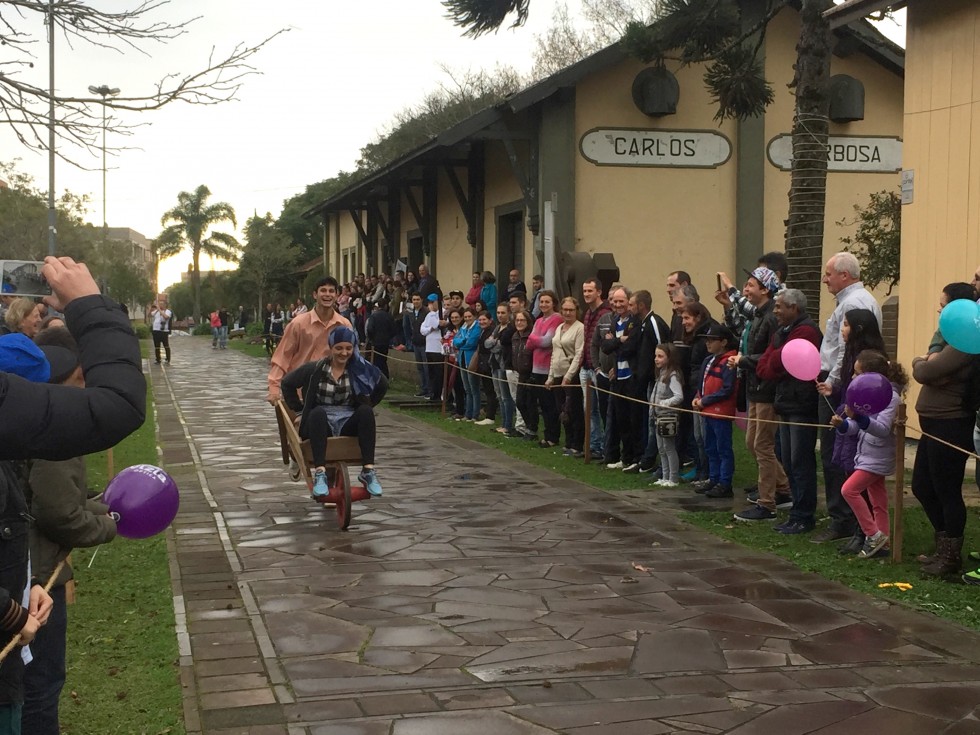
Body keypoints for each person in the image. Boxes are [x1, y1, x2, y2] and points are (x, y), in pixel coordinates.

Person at [0, 256, 145, 731]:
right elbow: (118, 405)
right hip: (27, 598)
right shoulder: (45, 439)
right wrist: (90, 305)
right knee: (39, 693)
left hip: (28, 585)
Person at [23, 328, 118, 735]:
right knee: (39, 686)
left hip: (26, 571)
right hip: (37, 580)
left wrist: (109, 507)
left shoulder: (28, 408)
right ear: (77, 371)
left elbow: (61, 497)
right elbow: (58, 513)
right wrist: (109, 526)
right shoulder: (55, 423)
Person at [812, 252, 882, 543]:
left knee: (838, 454)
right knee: (838, 453)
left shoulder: (854, 303)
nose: (825, 279)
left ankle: (845, 519)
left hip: (841, 384)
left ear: (845, 275)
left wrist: (832, 382)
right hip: (841, 379)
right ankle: (850, 519)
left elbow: (846, 351)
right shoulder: (852, 299)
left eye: (829, 274)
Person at [910, 283, 977, 579]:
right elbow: (932, 373)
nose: (939, 309)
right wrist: (930, 366)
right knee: (922, 486)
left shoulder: (965, 343)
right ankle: (942, 544)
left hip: (951, 423)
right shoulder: (949, 339)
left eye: (944, 304)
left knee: (947, 490)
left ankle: (951, 557)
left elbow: (926, 372)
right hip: (933, 424)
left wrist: (920, 362)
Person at [281, 326, 387, 498]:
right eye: (339, 348)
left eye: (348, 348)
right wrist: (300, 410)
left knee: (366, 412)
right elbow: (287, 383)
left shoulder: (358, 368)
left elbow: (382, 385)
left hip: (347, 419)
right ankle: (320, 473)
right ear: (331, 348)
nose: (344, 353)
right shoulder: (315, 369)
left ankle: (368, 470)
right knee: (317, 413)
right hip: (320, 423)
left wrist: (368, 403)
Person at [820, 308, 888, 555]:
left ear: (859, 328)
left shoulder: (871, 359)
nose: (842, 330)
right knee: (850, 470)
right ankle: (867, 532)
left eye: (847, 325)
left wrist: (855, 414)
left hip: (865, 427)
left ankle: (866, 533)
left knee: (859, 484)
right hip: (852, 419)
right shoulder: (851, 354)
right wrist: (834, 390)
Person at [755, 289, 822, 534]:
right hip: (785, 401)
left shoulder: (806, 331)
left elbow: (779, 362)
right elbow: (765, 365)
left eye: (779, 306)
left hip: (801, 404)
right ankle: (796, 511)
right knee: (788, 460)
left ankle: (804, 515)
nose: (775, 311)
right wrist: (776, 357)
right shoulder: (782, 332)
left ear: (794, 308)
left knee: (800, 461)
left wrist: (776, 358)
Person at [831, 350, 906, 560]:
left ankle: (872, 534)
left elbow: (882, 429)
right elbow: (857, 427)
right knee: (877, 500)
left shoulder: (890, 397)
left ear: (871, 376)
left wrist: (859, 418)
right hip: (866, 454)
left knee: (849, 490)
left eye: (857, 373)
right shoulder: (866, 394)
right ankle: (883, 544)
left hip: (878, 457)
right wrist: (843, 424)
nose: (853, 377)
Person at [730, 267, 791, 522]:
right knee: (752, 443)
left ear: (765, 289)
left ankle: (767, 503)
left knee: (763, 445)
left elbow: (770, 355)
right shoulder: (757, 315)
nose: (745, 289)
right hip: (755, 386)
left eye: (751, 285)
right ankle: (784, 488)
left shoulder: (771, 318)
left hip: (766, 389)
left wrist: (743, 360)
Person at [266, 277, 352, 406]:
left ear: (336, 295)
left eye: (331, 291)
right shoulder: (298, 324)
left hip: (331, 394)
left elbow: (352, 358)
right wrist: (274, 388)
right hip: (299, 393)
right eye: (323, 290)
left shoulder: (344, 325)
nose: (327, 294)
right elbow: (283, 356)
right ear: (315, 295)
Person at [692, 324, 739, 498]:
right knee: (710, 447)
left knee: (723, 448)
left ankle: (725, 483)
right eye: (707, 339)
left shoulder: (729, 361)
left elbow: (727, 389)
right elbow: (702, 383)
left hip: (720, 411)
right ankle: (714, 478)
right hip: (707, 410)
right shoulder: (709, 360)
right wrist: (698, 396)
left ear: (724, 342)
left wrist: (705, 400)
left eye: (712, 340)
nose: (708, 343)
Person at [601, 286, 641, 470]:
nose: (617, 305)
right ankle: (625, 458)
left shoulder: (634, 322)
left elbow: (630, 348)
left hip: (630, 376)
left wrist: (614, 343)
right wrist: (618, 341)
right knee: (621, 419)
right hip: (617, 376)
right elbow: (605, 347)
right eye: (614, 301)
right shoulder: (615, 321)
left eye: (621, 301)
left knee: (633, 420)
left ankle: (635, 458)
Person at [579, 278, 612, 460]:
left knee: (602, 409)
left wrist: (598, 367)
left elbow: (602, 344)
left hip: (598, 368)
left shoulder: (605, 313)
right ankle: (593, 446)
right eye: (584, 291)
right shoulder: (587, 313)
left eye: (590, 291)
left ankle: (605, 447)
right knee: (589, 410)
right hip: (586, 366)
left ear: (599, 292)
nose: (586, 294)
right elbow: (587, 342)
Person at [548, 297, 585, 457]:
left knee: (574, 410)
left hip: (572, 375)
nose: (568, 313)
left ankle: (577, 444)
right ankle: (568, 441)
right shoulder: (559, 327)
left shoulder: (580, 328)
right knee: (562, 410)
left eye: (571, 310)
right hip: (557, 373)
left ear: (577, 311)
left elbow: (579, 354)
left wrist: (569, 375)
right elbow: (554, 353)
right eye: (565, 310)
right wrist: (550, 376)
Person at [525, 290, 563, 448]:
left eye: (547, 301)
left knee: (550, 405)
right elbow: (529, 344)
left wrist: (534, 338)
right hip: (536, 368)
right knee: (543, 405)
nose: (544, 304)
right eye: (541, 302)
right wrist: (536, 339)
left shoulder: (557, 319)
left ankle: (553, 437)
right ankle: (547, 434)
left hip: (549, 368)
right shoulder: (539, 320)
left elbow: (547, 341)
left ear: (553, 303)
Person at [651, 343, 685, 487]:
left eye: (660, 356)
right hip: (657, 416)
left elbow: (679, 396)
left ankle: (673, 478)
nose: (656, 359)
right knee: (661, 448)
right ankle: (665, 476)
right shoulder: (661, 373)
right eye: (656, 356)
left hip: (668, 417)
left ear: (669, 358)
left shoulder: (673, 375)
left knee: (669, 447)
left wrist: (664, 403)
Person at [487, 304, 516, 435]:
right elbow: (487, 343)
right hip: (494, 364)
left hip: (503, 364)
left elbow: (499, 346)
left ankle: (507, 424)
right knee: (499, 395)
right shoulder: (497, 327)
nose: (500, 315)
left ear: (508, 313)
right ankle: (503, 423)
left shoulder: (510, 328)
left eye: (503, 313)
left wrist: (493, 342)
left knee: (506, 397)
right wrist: (494, 341)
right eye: (498, 312)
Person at [452, 307, 482, 421]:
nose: (467, 319)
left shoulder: (477, 327)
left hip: (471, 360)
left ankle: (475, 414)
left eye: (470, 316)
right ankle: (467, 414)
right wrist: (462, 341)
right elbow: (455, 341)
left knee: (474, 389)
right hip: (462, 359)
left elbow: (471, 343)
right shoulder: (463, 327)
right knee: (467, 389)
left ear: (474, 316)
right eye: (465, 317)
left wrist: (462, 342)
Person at [510, 310, 535, 438]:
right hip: (520, 372)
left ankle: (532, 429)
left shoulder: (531, 336)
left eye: (522, 320)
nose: (519, 323)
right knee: (520, 402)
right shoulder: (515, 336)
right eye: (517, 320)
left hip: (530, 373)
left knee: (530, 402)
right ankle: (528, 426)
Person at [474, 311, 498, 426]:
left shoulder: (491, 331)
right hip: (483, 363)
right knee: (488, 390)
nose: (482, 322)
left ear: (490, 320)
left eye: (484, 320)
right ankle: (489, 413)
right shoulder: (482, 331)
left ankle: (490, 415)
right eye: (480, 320)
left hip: (489, 363)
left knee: (491, 390)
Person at [442, 309, 466, 420]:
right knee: (454, 385)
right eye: (452, 318)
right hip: (451, 360)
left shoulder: (463, 330)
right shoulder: (449, 331)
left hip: (461, 360)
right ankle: (457, 408)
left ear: (461, 318)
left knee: (461, 386)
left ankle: (463, 410)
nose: (454, 319)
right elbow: (445, 342)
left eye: (456, 317)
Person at [420, 294, 444, 401]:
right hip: (429, 347)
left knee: (439, 373)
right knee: (431, 372)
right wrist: (430, 328)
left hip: (438, 348)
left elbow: (438, 325)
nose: (430, 304)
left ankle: (438, 394)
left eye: (432, 302)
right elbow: (423, 329)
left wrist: (435, 325)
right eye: (429, 302)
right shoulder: (429, 315)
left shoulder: (442, 313)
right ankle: (432, 392)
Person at [365, 301, 396, 379]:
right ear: (385, 306)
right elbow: (394, 330)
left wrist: (371, 338)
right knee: (383, 361)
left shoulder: (373, 316)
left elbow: (369, 329)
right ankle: (385, 377)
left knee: (375, 361)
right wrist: (388, 337)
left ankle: (376, 378)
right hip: (385, 342)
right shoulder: (389, 316)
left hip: (375, 342)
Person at [407, 293, 430, 398]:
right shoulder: (411, 312)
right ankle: (423, 388)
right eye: (414, 299)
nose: (416, 301)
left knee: (426, 368)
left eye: (417, 299)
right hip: (415, 342)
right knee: (420, 367)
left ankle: (429, 389)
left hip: (425, 343)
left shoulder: (426, 312)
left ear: (421, 300)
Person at [149, 300, 173, 365]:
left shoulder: (168, 311)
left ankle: (168, 359)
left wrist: (159, 309)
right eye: (159, 304)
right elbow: (150, 315)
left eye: (161, 304)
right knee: (157, 346)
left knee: (166, 345)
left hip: (164, 331)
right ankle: (158, 359)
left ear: (165, 305)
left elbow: (166, 317)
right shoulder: (157, 311)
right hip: (156, 331)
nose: (160, 305)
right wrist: (152, 307)